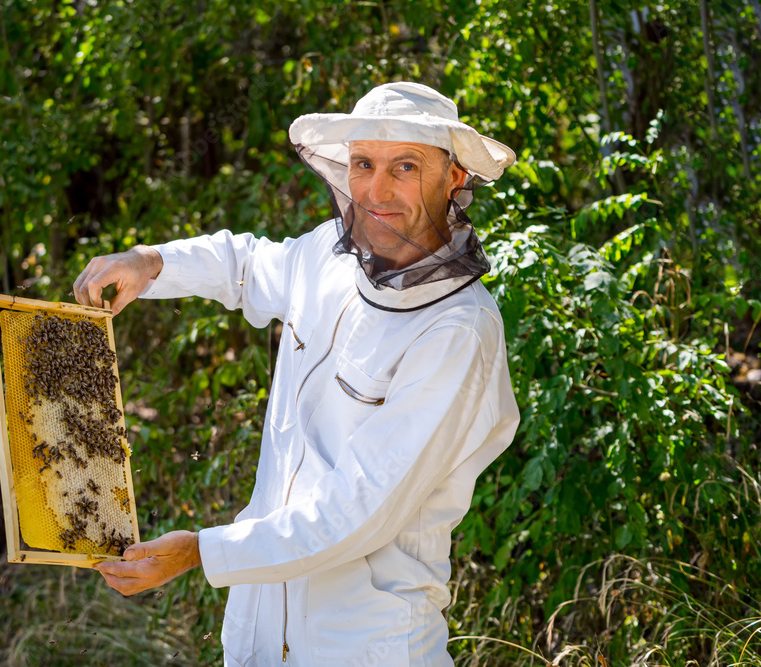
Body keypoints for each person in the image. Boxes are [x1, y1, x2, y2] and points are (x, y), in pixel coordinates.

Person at [74, 81, 520, 666]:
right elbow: (246, 265)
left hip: (365, 646)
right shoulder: (328, 257)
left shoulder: (458, 333)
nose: (376, 189)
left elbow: (355, 511)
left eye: (404, 166)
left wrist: (201, 553)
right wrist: (153, 261)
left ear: (454, 177)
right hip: (258, 634)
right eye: (364, 163)